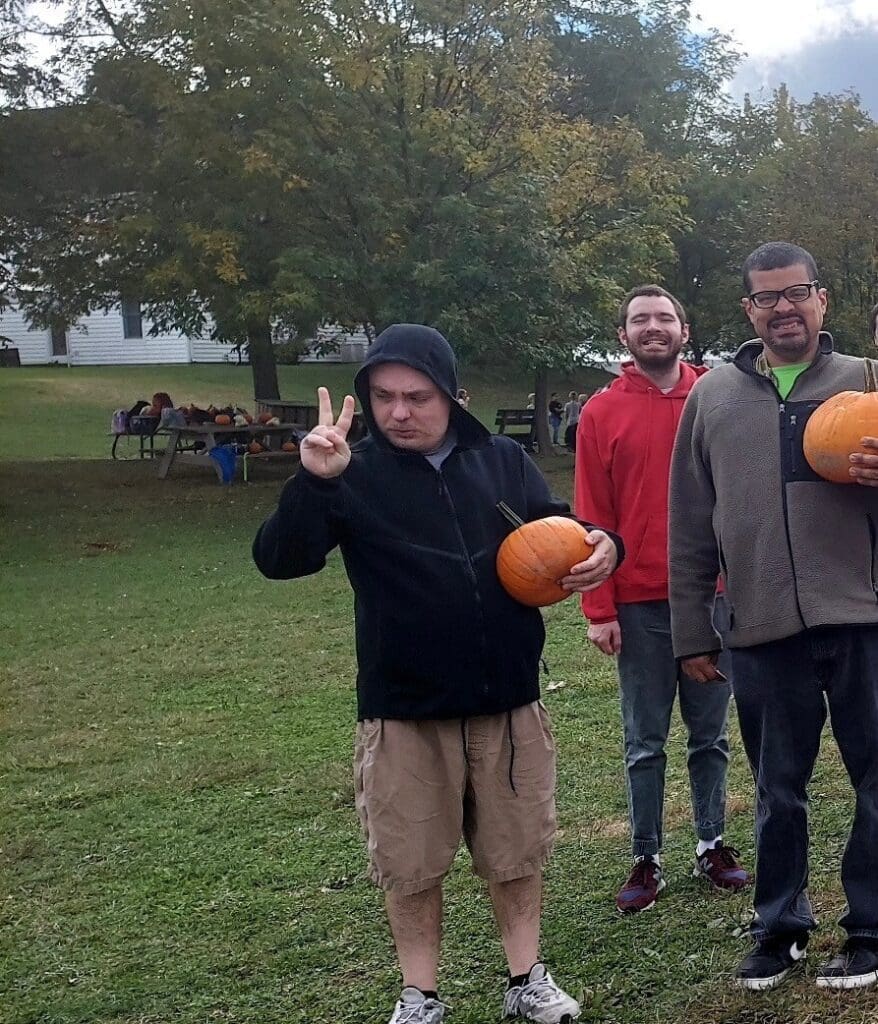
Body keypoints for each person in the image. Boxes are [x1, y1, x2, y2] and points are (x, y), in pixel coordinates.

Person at [253, 324, 624, 1024]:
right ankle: (419, 997)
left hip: (507, 701)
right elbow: (281, 558)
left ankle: (526, 980)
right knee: (411, 863)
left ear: (452, 396)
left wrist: (607, 544)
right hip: (404, 710)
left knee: (516, 854)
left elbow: (559, 528)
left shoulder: (503, 460)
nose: (400, 412)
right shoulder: (350, 472)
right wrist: (312, 482)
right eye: (385, 398)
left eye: (417, 397)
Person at [669, 242, 878, 992]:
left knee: (875, 777)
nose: (784, 308)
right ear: (749, 311)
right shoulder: (713, 396)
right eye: (767, 298)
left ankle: (871, 928)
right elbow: (690, 519)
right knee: (776, 787)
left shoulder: (867, 381)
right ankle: (779, 928)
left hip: (862, 617)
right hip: (759, 624)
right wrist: (692, 628)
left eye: (798, 293)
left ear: (823, 300)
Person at [575, 285, 750, 916]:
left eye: (665, 318)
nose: (654, 327)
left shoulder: (717, 397)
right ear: (623, 335)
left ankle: (712, 842)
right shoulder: (601, 411)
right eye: (640, 320)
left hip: (713, 599)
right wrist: (599, 609)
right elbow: (591, 516)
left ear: (683, 328)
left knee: (711, 736)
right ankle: (646, 856)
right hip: (641, 604)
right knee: (644, 741)